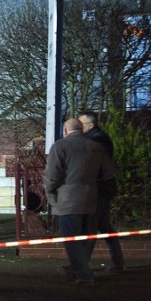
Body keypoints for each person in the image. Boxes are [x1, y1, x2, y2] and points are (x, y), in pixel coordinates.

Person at [43, 118, 114, 286]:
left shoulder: (60, 146)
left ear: (65, 131)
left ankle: (84, 275)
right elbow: (108, 173)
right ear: (82, 130)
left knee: (71, 240)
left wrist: (50, 192)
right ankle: (78, 269)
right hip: (91, 197)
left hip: (68, 200)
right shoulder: (96, 147)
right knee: (87, 237)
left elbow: (52, 175)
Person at [79, 112, 124, 272]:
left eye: (81, 124)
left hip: (99, 190)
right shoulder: (99, 138)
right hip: (104, 189)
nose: (79, 127)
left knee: (90, 227)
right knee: (104, 226)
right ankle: (117, 261)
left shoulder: (96, 141)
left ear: (90, 125)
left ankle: (81, 266)